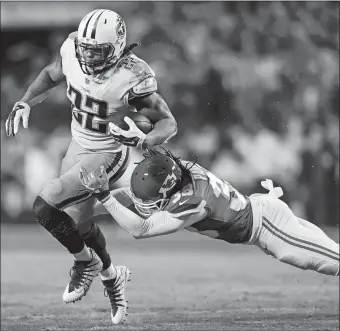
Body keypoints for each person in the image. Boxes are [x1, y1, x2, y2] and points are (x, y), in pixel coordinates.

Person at [5, 9, 177, 325]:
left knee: (45, 207)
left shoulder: (132, 75)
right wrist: (26, 100)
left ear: (118, 46)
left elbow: (167, 121)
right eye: (86, 49)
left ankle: (86, 263)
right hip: (77, 146)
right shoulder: (73, 49)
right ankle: (113, 277)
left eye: (98, 51)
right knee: (78, 225)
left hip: (108, 153)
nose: (89, 57)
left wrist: (144, 140)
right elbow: (51, 74)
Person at [80, 148, 340, 283]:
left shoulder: (194, 202)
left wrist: (105, 197)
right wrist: (87, 207)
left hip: (269, 227)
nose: (144, 202)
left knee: (330, 261)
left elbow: (141, 229)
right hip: (263, 216)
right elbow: (135, 193)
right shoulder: (183, 171)